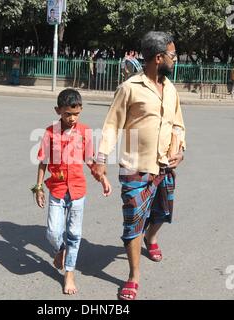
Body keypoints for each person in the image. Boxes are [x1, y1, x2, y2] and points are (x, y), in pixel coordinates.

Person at [91, 31, 186, 300]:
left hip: (165, 165)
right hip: (135, 167)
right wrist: (101, 159)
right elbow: (112, 125)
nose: (175, 59)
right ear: (159, 58)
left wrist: (180, 149)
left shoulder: (170, 89)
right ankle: (133, 276)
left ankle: (151, 238)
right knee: (133, 221)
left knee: (162, 213)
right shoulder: (129, 88)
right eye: (172, 55)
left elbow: (178, 123)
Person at [32, 88, 112, 295]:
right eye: (68, 114)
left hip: (77, 190)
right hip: (57, 189)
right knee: (52, 232)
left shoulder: (85, 132)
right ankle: (61, 249)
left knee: (75, 234)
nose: (72, 118)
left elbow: (89, 160)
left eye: (76, 114)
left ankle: (69, 274)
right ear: (58, 110)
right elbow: (43, 162)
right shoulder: (50, 133)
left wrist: (103, 179)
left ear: (81, 111)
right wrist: (38, 187)